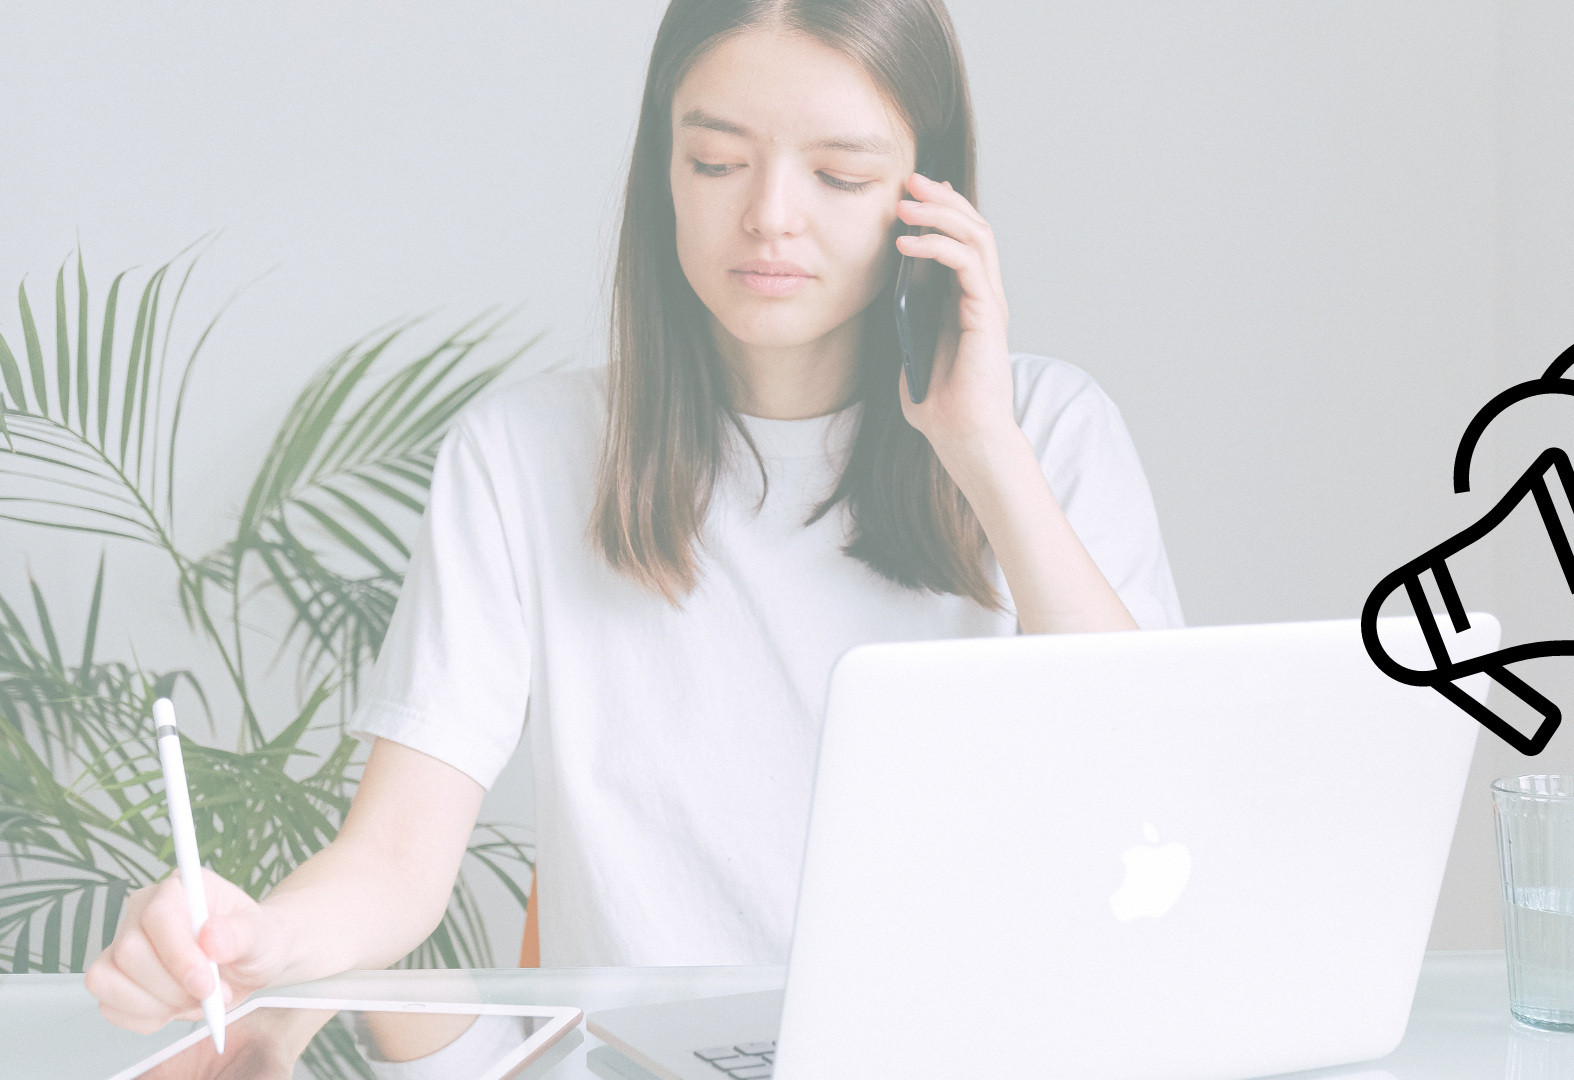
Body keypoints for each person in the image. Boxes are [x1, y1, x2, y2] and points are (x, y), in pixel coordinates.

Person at [86, 0, 1182, 1033]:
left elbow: (1153, 791)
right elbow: (395, 864)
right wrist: (257, 939)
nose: (768, 216)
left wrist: (984, 450)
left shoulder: (1049, 432)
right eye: (715, 160)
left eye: (841, 175)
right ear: (665, 169)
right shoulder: (521, 458)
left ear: (929, 200)